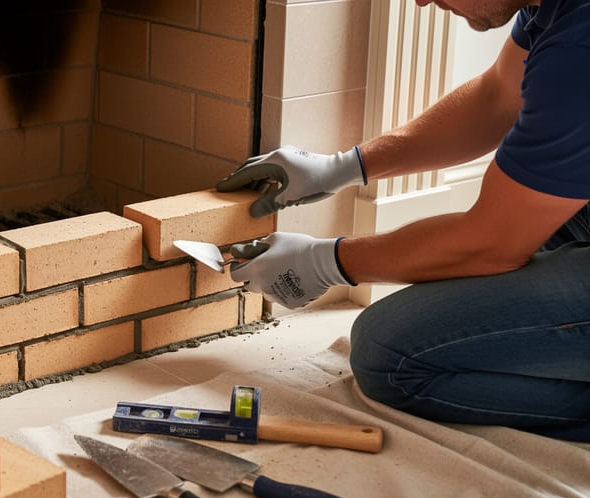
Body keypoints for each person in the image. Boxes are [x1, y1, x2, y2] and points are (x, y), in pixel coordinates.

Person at [217, 0, 590, 442]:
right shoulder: (554, 8)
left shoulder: (578, 49)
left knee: (389, 355)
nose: (419, 2)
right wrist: (342, 167)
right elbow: (497, 96)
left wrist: (326, 263)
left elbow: (491, 244)